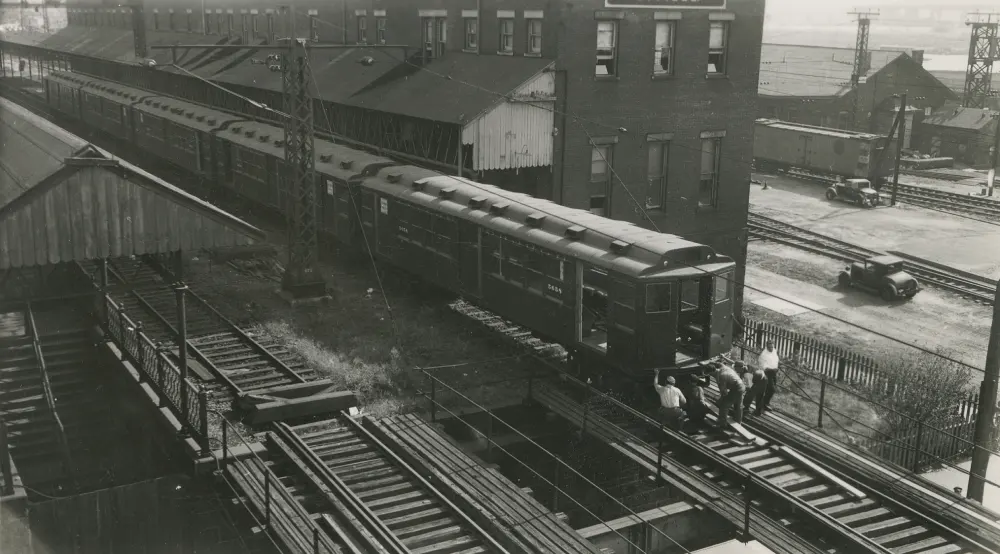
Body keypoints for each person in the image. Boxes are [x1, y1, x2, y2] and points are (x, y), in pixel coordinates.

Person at [715, 361, 745, 429]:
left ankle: (722, 424)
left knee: (724, 406)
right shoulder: (727, 368)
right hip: (742, 386)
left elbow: (724, 392)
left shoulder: (722, 374)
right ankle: (738, 422)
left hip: (736, 389)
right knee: (738, 406)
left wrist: (722, 399)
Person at [758, 341, 781, 414]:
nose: (771, 348)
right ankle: (764, 404)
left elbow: (775, 360)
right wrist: (772, 369)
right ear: (766, 347)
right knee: (771, 389)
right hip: (767, 373)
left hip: (774, 372)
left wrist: (776, 368)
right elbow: (764, 367)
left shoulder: (774, 351)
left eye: (772, 347)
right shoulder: (764, 355)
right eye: (769, 347)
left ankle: (765, 404)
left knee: (771, 389)